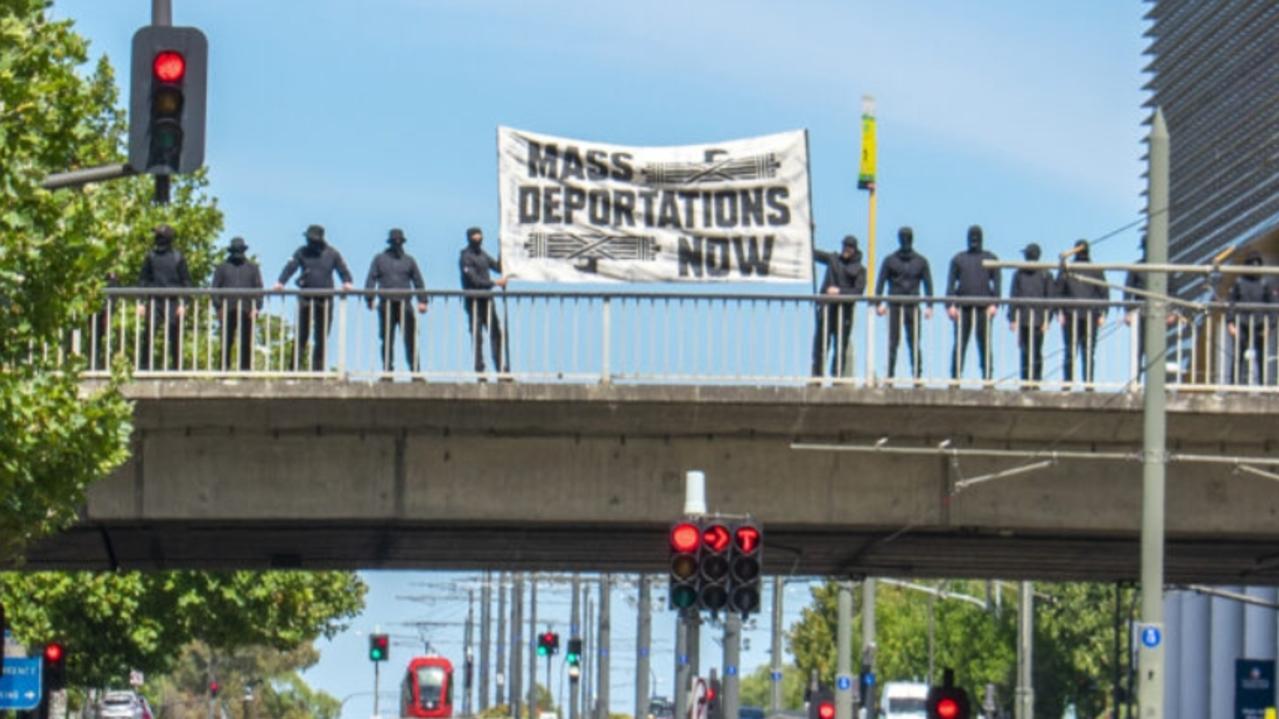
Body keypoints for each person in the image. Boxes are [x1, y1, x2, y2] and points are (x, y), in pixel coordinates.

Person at [274, 224, 353, 371]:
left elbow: (343, 270)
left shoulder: (332, 253)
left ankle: (318, 371)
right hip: (306, 298)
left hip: (325, 299)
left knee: (321, 337)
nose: (309, 242)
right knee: (301, 335)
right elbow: (291, 267)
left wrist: (347, 282)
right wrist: (281, 282)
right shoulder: (302, 252)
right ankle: (294, 369)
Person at [365, 228, 428, 374]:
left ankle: (415, 372)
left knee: (410, 339)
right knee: (386, 339)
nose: (397, 245)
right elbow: (371, 278)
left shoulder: (409, 261)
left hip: (405, 304)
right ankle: (387, 371)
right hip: (386, 304)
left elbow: (418, 280)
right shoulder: (379, 259)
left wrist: (422, 300)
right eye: (395, 242)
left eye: (399, 242)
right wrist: (369, 297)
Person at [876, 226, 934, 382]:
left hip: (913, 305)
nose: (905, 240)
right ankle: (890, 375)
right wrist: (878, 303)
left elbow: (928, 284)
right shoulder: (890, 261)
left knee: (914, 341)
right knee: (893, 341)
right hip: (894, 305)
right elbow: (880, 282)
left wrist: (929, 305)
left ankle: (917, 376)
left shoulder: (921, 261)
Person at [945, 225, 1000, 382]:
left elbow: (997, 284)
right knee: (960, 344)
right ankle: (955, 378)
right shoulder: (958, 259)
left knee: (984, 344)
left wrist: (995, 303)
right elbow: (950, 285)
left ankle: (987, 377)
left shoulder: (991, 258)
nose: (974, 240)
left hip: (984, 308)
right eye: (972, 237)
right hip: (963, 308)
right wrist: (950, 305)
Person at [811, 235, 867, 379]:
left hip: (845, 312)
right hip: (827, 309)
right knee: (821, 343)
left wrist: (839, 292)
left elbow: (858, 292)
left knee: (841, 345)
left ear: (854, 249)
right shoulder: (833, 260)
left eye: (849, 247)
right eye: (844, 246)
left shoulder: (860, 270)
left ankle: (837, 376)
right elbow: (815, 254)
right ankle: (817, 376)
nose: (846, 250)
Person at [136, 225, 191, 371]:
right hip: (154, 300)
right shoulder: (151, 256)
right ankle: (144, 366)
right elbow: (143, 280)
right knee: (148, 333)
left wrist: (184, 304)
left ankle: (177, 367)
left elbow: (186, 282)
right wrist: (141, 302)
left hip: (173, 301)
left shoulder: (177, 257)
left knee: (175, 335)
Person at [1056, 239, 1108, 387]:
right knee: (1088, 351)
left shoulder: (1069, 269)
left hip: (1072, 314)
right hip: (1088, 314)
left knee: (1070, 351)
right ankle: (1088, 383)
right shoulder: (1096, 269)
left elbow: (1058, 289)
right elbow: (1104, 292)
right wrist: (1103, 313)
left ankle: (1068, 383)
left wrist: (1059, 311)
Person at [459, 226, 509, 378]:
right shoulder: (465, 257)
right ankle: (479, 368)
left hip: (487, 300)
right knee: (477, 335)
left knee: (496, 333)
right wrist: (494, 283)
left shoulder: (483, 255)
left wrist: (503, 250)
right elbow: (473, 280)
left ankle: (501, 367)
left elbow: (499, 268)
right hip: (473, 300)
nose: (478, 239)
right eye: (475, 236)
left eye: (479, 236)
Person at [211, 237, 264, 371]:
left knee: (246, 342)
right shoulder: (222, 267)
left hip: (247, 309)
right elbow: (215, 288)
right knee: (226, 341)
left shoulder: (253, 268)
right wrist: (218, 307)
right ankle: (223, 369)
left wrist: (257, 307)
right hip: (227, 309)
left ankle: (245, 371)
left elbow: (259, 289)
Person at [1008, 243, 1053, 386]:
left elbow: (1049, 298)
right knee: (1029, 351)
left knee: (1032, 351)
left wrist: (1047, 319)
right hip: (1029, 318)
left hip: (1033, 318)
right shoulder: (1042, 273)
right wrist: (1013, 318)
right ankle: (1029, 380)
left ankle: (1033, 379)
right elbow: (1014, 296)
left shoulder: (1040, 274)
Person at [1227, 250, 1272, 385]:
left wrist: (1270, 325)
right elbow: (1231, 302)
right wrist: (1230, 323)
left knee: (1262, 357)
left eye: (1257, 264)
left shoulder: (1264, 283)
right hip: (1242, 323)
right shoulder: (1239, 282)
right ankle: (1234, 385)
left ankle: (1264, 386)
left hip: (1259, 324)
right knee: (1237, 356)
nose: (1254, 267)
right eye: (1251, 264)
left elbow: (1272, 305)